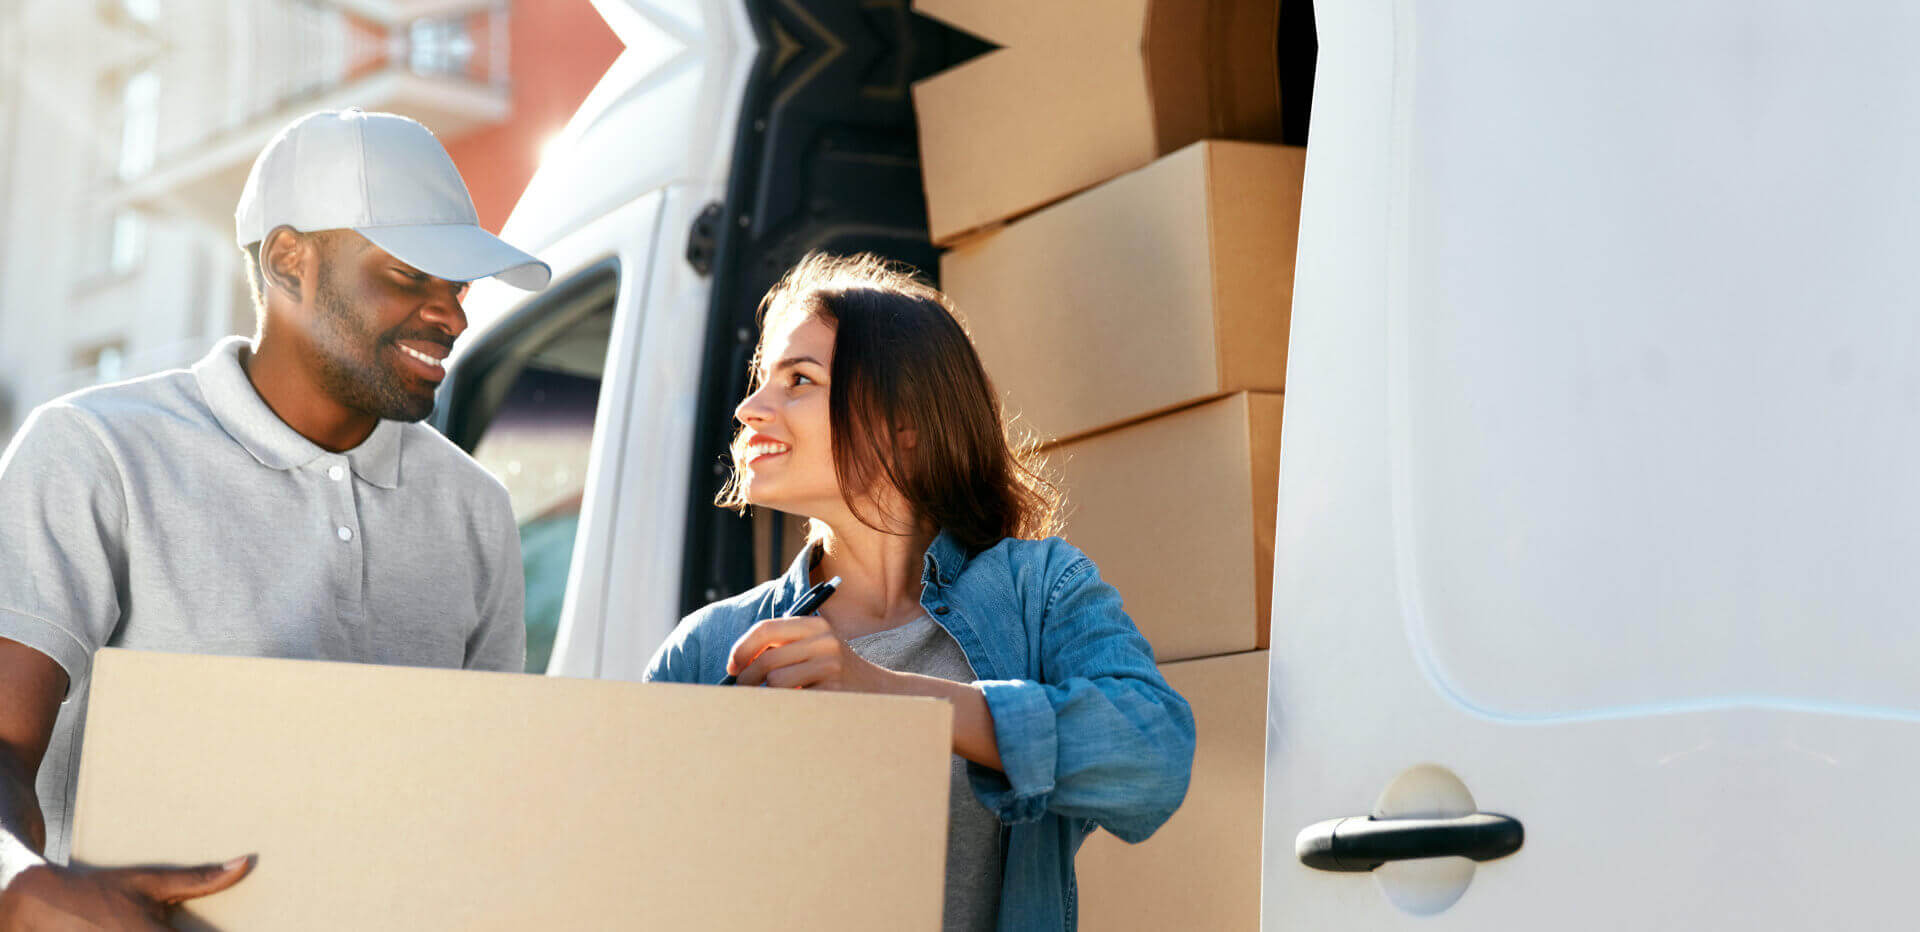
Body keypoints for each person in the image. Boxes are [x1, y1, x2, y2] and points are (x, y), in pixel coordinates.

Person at [0, 108, 550, 927]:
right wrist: (20, 889)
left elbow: (484, 796)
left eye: (458, 286)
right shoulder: (95, 454)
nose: (455, 317)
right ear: (291, 262)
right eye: (411, 275)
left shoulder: (475, 509)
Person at [644, 253, 1195, 931]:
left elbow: (1155, 757)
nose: (749, 408)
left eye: (798, 379)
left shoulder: (1040, 590)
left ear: (905, 423)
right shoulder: (706, 651)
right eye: (762, 381)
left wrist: (884, 693)